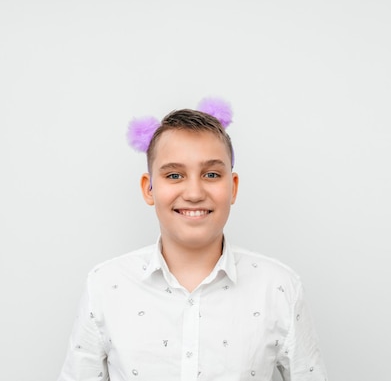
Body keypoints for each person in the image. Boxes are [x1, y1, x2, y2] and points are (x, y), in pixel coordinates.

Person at [58, 98, 327, 381]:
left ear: (232, 187)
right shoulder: (104, 286)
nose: (195, 192)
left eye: (211, 174)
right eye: (174, 175)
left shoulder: (279, 288)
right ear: (149, 189)